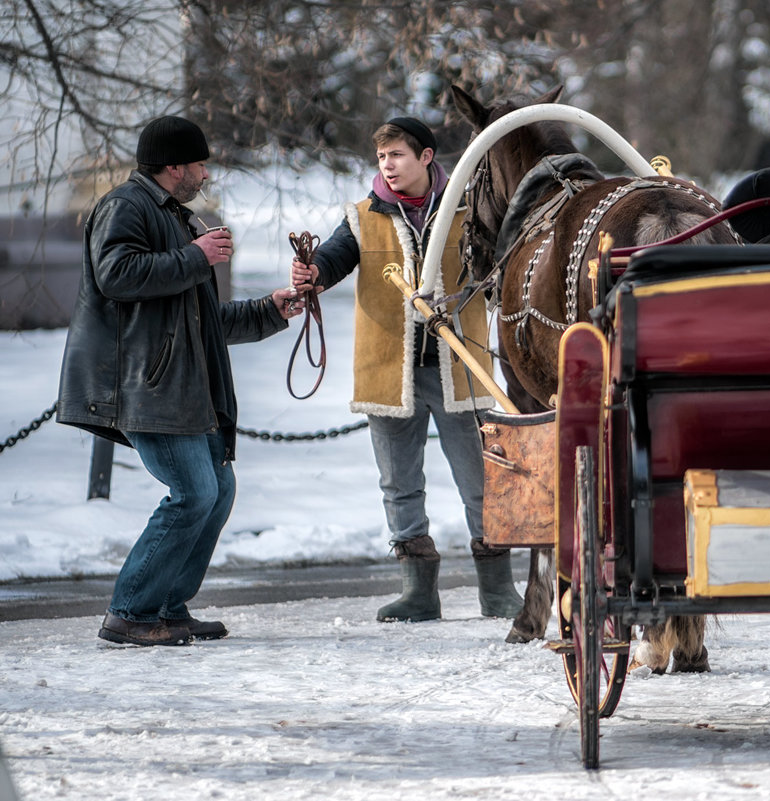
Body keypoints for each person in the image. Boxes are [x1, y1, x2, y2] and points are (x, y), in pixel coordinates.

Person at [57, 115, 303, 646]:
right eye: (199, 164)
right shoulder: (126, 206)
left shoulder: (172, 215)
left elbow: (202, 320)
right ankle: (130, 612)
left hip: (182, 386)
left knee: (217, 488)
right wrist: (195, 256)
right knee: (193, 492)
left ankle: (167, 604)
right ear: (173, 166)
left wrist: (271, 311)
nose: (205, 175)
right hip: (146, 384)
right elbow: (116, 276)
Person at [290, 117, 523, 623]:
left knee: (481, 480)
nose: (388, 166)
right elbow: (334, 258)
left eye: (397, 155)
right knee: (399, 483)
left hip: (460, 368)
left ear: (425, 157)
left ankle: (497, 590)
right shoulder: (363, 216)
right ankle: (419, 592)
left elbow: (500, 263)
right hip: (388, 369)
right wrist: (314, 273)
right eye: (381, 158)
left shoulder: (466, 209)